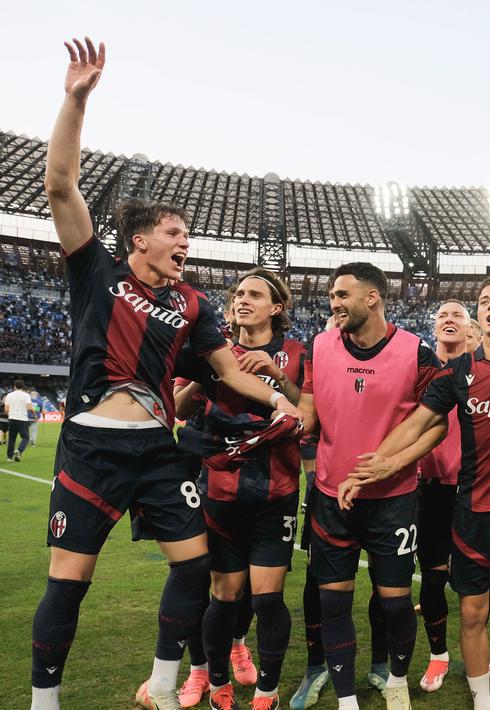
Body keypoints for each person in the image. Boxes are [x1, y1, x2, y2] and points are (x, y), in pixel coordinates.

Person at [35, 38, 301, 710]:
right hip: (93, 445)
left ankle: (159, 684)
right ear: (141, 240)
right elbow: (60, 185)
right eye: (176, 233)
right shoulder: (97, 271)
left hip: (157, 450)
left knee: (196, 566)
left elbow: (224, 371)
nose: (187, 244)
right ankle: (45, 700)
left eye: (187, 236)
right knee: (69, 581)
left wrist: (277, 400)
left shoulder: (192, 304)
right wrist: (75, 100)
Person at [340, 276, 490, 710]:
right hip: (471, 510)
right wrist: (373, 465)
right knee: (473, 614)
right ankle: (482, 702)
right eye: (484, 301)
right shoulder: (456, 373)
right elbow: (418, 423)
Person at [296, 262, 446, 710]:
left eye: (342, 294)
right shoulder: (319, 346)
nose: (334, 303)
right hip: (330, 497)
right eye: (332, 296)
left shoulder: (417, 353)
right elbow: (307, 414)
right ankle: (347, 701)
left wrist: (393, 463)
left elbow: (436, 422)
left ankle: (396, 682)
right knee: (333, 602)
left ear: (372, 297)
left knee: (396, 604)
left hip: (394, 501)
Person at [171, 269, 307, 710]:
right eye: (237, 294)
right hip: (217, 489)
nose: (242, 300)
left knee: (267, 598)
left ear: (277, 307)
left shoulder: (296, 353)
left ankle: (267, 691)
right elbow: (176, 408)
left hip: (276, 491)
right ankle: (217, 684)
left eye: (253, 294)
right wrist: (211, 372)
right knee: (222, 595)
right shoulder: (209, 351)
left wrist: (275, 376)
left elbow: (309, 413)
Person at [415, 299, 470, 694]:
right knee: (432, 579)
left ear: (470, 330)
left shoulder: (484, 368)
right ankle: (438, 657)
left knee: (473, 583)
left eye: (457, 316)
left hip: (473, 488)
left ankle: (474, 657)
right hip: (429, 488)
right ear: (434, 328)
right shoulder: (417, 369)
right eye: (442, 316)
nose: (449, 320)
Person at [5, 378, 34, 461]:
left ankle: (9, 457)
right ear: (23, 387)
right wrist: (34, 415)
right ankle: (19, 450)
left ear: (14, 386)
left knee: (11, 438)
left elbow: (6, 410)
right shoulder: (26, 395)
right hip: (22, 418)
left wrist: (12, 414)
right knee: (25, 437)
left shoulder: (9, 395)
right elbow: (29, 407)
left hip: (12, 418)